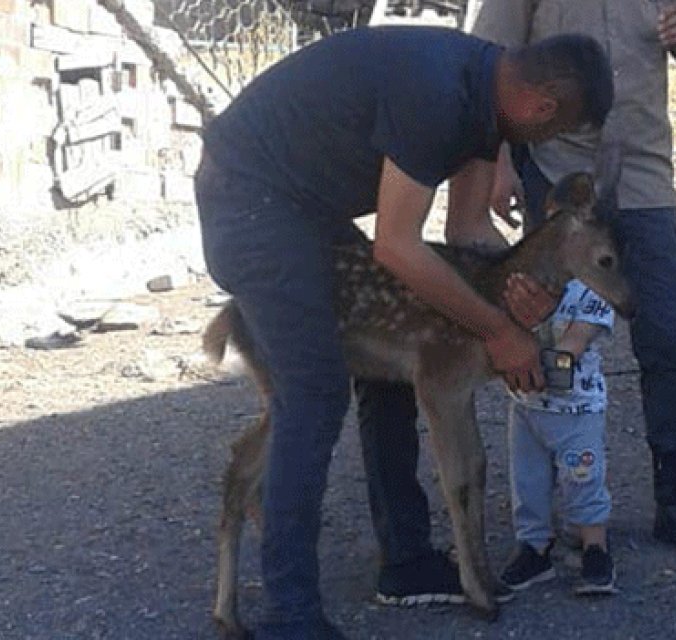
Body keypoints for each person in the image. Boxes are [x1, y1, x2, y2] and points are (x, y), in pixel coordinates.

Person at [195, 26, 614, 638]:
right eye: (553, 130)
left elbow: (469, 235)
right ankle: (291, 612)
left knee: (389, 364)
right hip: (248, 200)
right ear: (542, 107)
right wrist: (497, 327)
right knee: (312, 392)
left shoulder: (487, 103)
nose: (545, 143)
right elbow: (397, 247)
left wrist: (526, 298)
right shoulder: (439, 96)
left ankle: (406, 562)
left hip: (303, 208)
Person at [472, 0, 676, 558]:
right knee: (543, 339)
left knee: (669, 336)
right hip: (558, 175)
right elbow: (491, 64)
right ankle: (542, 523)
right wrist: (500, 164)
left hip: (642, 177)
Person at [498, 278, 619, 596]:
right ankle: (534, 547)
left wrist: (528, 349)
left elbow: (571, 349)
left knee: (582, 479)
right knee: (527, 482)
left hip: (577, 411)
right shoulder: (524, 284)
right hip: (526, 408)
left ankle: (594, 547)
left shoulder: (594, 293)